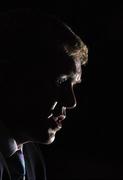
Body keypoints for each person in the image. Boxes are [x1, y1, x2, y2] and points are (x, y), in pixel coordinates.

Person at [0, 9, 88, 180]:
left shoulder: (33, 159)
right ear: (13, 75)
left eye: (73, 85)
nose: (71, 102)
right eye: (61, 82)